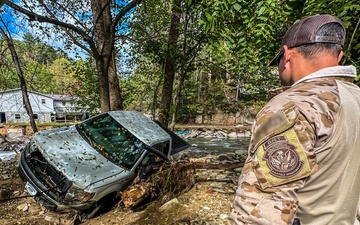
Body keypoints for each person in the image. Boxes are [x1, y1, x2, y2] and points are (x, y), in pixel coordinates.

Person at [229, 14, 360, 225]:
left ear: (288, 54)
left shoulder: (292, 106)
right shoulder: (355, 97)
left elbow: (262, 209)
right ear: (339, 56)